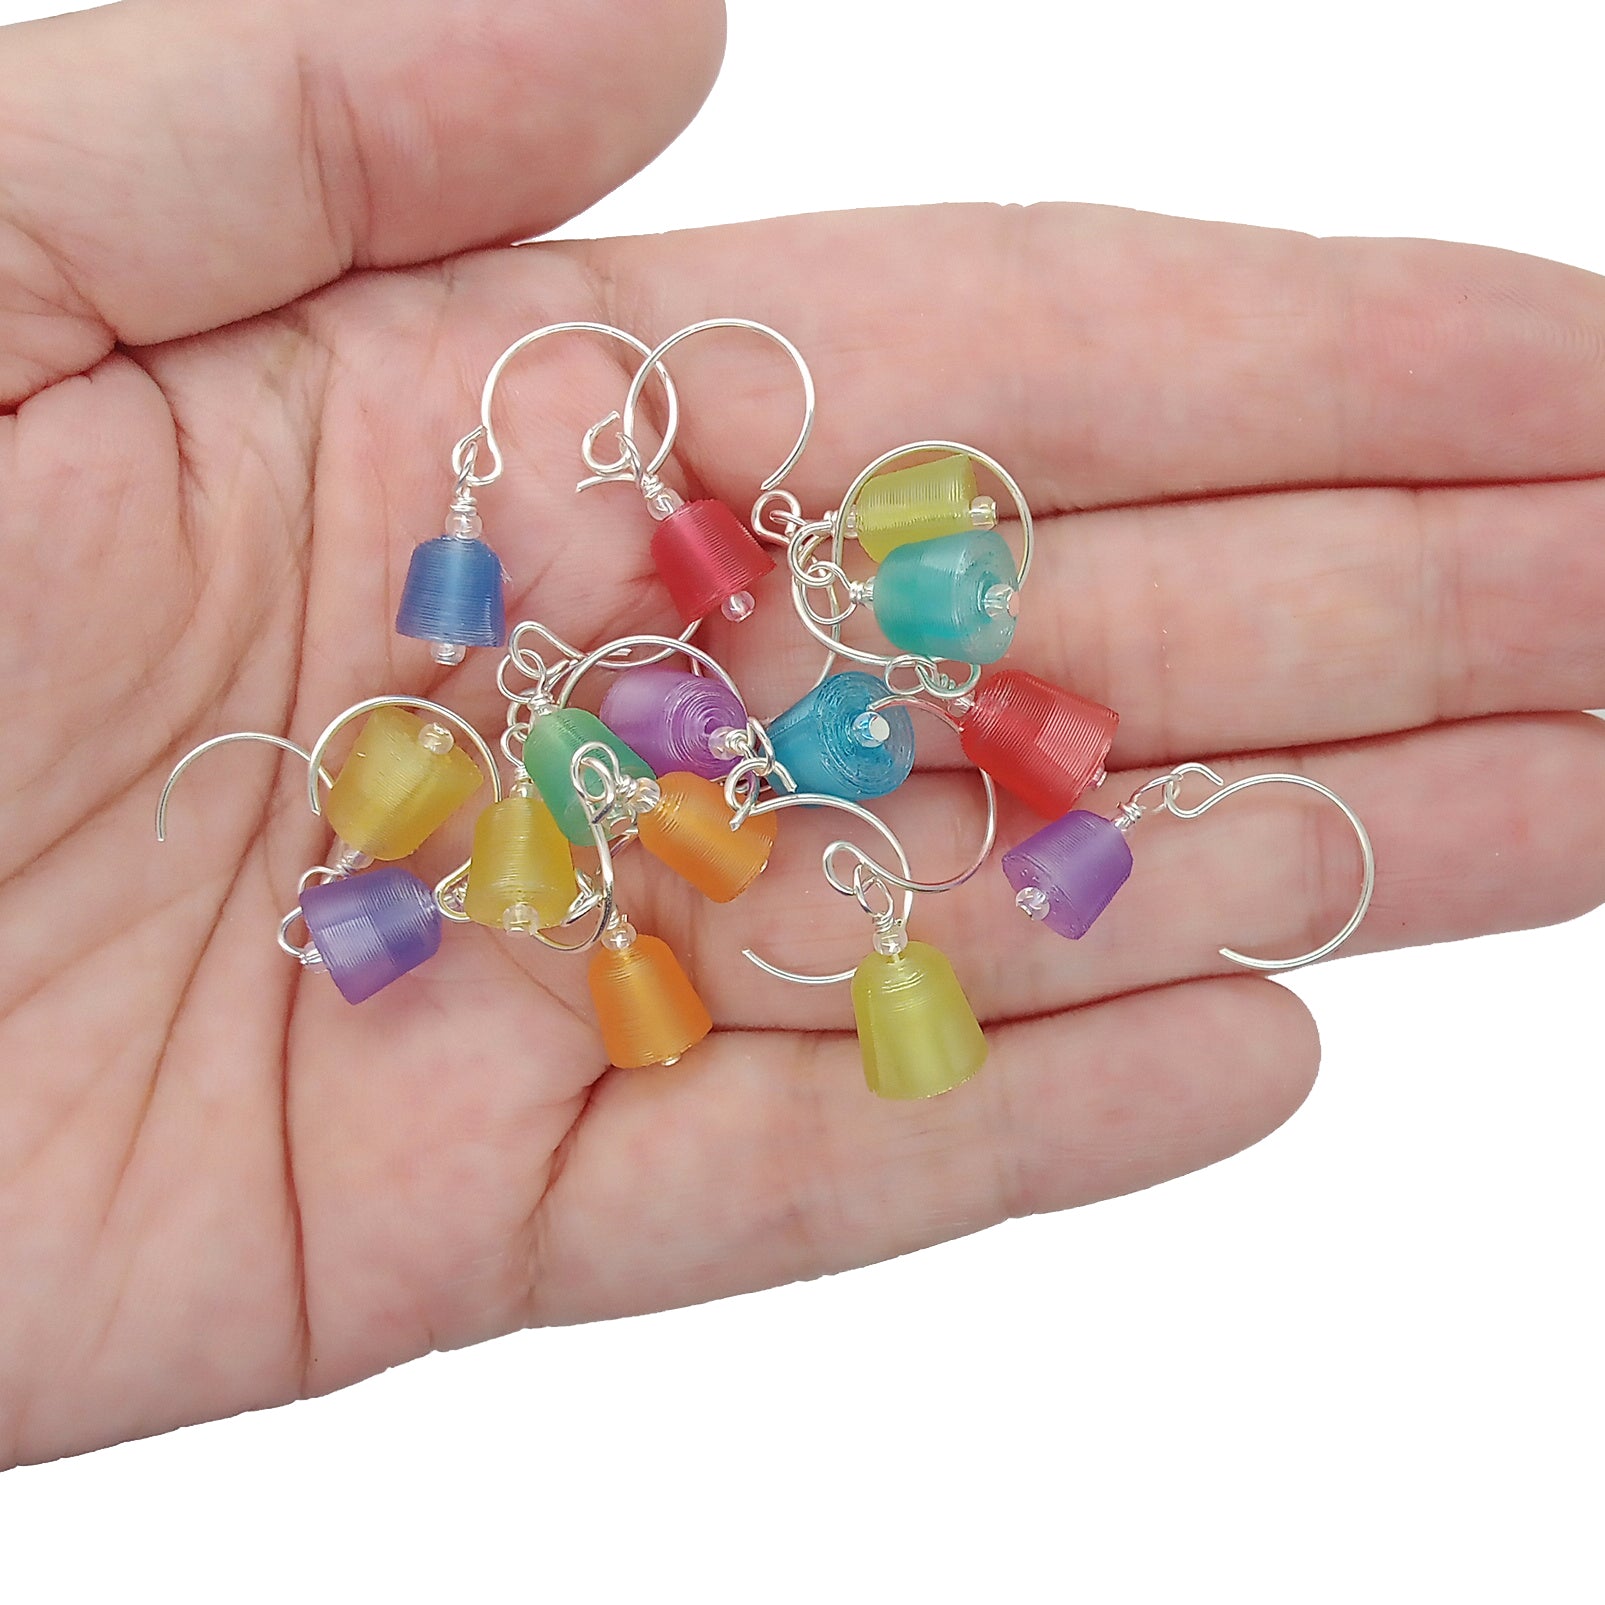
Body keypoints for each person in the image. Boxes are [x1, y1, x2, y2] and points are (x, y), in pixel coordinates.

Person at [2, 0, 1602, 1469]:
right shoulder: (555, 768)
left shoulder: (745, 692)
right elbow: (631, 748)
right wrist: (598, 768)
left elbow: (720, 729)